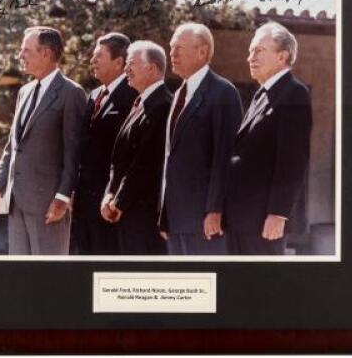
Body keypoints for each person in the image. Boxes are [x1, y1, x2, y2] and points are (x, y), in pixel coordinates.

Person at [0, 26, 87, 255]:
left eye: (26, 50)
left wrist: (63, 197)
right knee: (21, 274)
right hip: (16, 202)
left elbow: (75, 153)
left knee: (48, 277)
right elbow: (13, 147)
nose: (21, 56)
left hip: (49, 206)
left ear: (46, 53)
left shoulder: (72, 93)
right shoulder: (25, 91)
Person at [225, 21, 312, 255]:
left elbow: (293, 159)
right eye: (250, 51)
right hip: (240, 217)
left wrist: (278, 213)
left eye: (259, 51)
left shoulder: (294, 92)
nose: (249, 58)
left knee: (258, 285)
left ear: (282, 56)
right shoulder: (261, 95)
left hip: (262, 221)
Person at [160, 23, 243, 255]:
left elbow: (226, 156)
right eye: (171, 48)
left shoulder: (223, 92)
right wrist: (164, 213)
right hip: (176, 219)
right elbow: (171, 157)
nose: (172, 54)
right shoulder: (178, 94)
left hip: (205, 219)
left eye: (179, 48)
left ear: (202, 52)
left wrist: (216, 210)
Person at [101, 41, 172, 255]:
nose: (126, 70)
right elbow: (121, 157)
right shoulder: (140, 103)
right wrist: (109, 194)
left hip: (143, 214)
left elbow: (145, 163)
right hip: (127, 210)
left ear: (151, 68)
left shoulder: (162, 105)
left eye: (131, 63)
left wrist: (118, 202)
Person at [72, 32, 137, 255]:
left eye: (99, 56)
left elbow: (129, 155)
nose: (92, 61)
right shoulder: (95, 94)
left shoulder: (132, 95)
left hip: (108, 204)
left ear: (119, 62)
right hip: (83, 203)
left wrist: (115, 198)